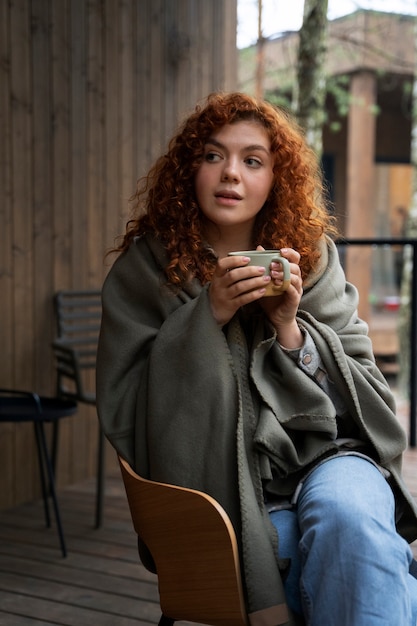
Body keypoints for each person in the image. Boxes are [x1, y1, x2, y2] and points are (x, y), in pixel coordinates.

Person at [96, 92, 417, 626]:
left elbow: (368, 397)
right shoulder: (145, 271)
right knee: (327, 557)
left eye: (252, 161)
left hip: (330, 458)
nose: (230, 175)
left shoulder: (311, 260)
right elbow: (127, 407)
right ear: (188, 168)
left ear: (275, 178)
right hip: (224, 488)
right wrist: (208, 316)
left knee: (353, 518)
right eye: (212, 155)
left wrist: (289, 327)